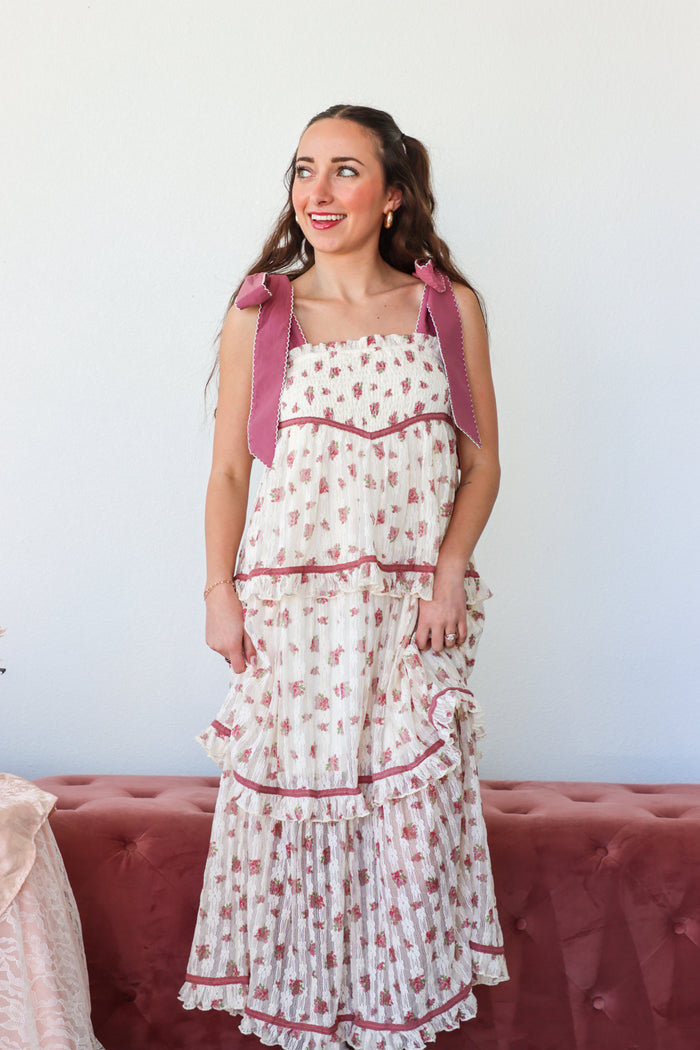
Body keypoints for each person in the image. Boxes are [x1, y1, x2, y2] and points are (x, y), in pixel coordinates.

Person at [180, 103, 508, 1049]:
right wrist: (219, 591)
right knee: (301, 833)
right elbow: (232, 471)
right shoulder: (264, 310)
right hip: (293, 620)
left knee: (404, 838)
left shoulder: (445, 305)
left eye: (345, 171)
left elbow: (481, 462)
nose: (317, 192)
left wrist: (449, 575)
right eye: (303, 170)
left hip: (411, 620)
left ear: (393, 193)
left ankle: (395, 1021)